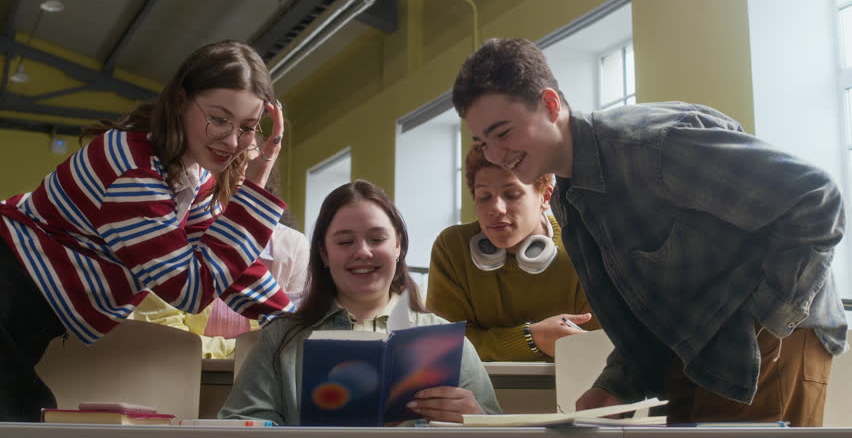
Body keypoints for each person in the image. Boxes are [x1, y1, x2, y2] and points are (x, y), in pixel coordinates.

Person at [451, 38, 847, 427]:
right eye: (483, 141)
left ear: (551, 105)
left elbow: (815, 198)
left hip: (770, 344)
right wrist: (615, 386)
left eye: (503, 133)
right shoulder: (567, 198)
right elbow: (643, 316)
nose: (495, 154)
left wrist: (769, 318)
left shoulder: (653, 147)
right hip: (696, 353)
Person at [0, 40, 294, 422]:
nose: (233, 141)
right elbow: (190, 288)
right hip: (10, 290)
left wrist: (295, 322)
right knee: (27, 420)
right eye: (219, 119)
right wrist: (253, 191)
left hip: (23, 313)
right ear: (180, 102)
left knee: (28, 418)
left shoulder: (189, 173)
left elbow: (228, 268)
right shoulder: (133, 172)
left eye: (248, 128)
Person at [220, 180, 501, 424]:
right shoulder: (279, 339)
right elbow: (240, 424)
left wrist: (476, 419)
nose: (363, 252)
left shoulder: (448, 342)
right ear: (324, 254)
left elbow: (497, 430)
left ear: (398, 245)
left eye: (377, 239)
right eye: (345, 242)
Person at [131, 135, 310, 358]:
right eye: (231, 160)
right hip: (178, 374)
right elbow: (165, 332)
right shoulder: (167, 234)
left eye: (251, 161)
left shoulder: (293, 245)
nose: (242, 171)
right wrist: (242, 352)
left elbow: (291, 334)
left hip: (262, 379)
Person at [427, 143, 599, 360]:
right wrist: (532, 338)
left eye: (512, 194)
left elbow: (594, 348)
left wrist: (485, 342)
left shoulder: (583, 245)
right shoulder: (452, 247)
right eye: (484, 196)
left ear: (546, 197)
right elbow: (441, 346)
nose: (496, 208)